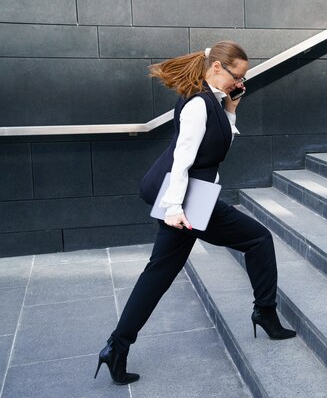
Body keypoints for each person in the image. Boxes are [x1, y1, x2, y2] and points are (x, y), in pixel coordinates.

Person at [94, 41, 296, 386]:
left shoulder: (211, 100)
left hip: (194, 198)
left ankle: (117, 346)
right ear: (217, 67)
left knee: (159, 272)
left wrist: (231, 108)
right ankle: (266, 313)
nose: (239, 82)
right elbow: (182, 159)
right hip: (189, 201)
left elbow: (217, 149)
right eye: (237, 75)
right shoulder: (198, 105)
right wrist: (173, 209)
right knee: (259, 239)